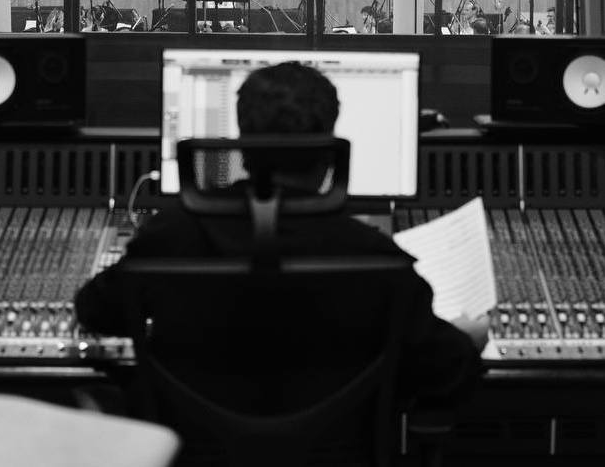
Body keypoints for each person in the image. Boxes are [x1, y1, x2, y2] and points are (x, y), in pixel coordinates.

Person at [75, 63, 485, 416]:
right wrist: (470, 336)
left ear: (243, 146)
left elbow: (95, 312)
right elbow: (447, 368)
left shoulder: (171, 237)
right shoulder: (371, 254)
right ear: (328, 152)